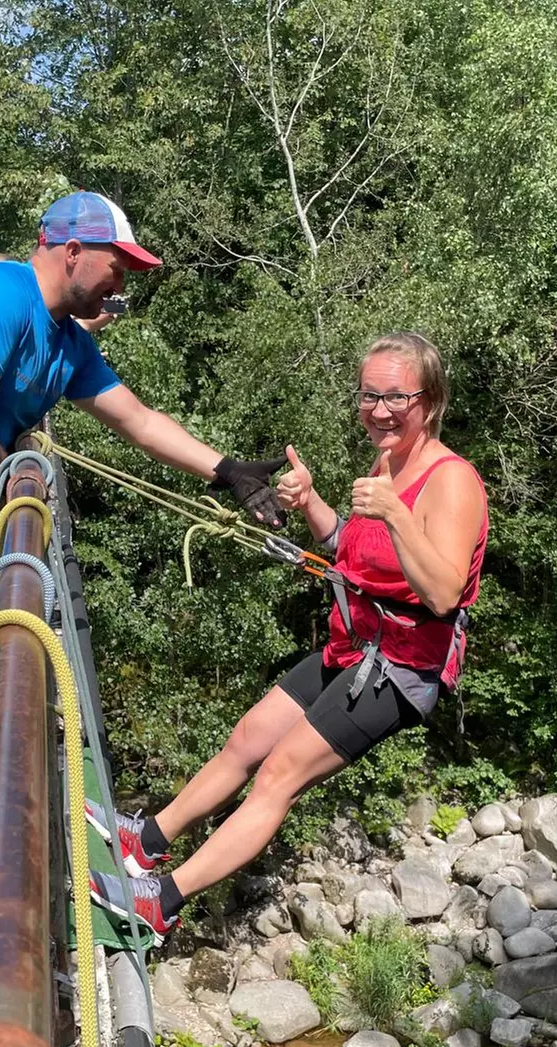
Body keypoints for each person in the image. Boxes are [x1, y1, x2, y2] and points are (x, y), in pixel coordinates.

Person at [0, 190, 288, 896]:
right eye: (119, 265)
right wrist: (11, 480)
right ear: (72, 250)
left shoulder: (67, 341)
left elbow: (138, 419)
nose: (124, 282)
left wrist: (224, 469)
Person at [90, 332, 489, 941]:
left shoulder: (451, 481)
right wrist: (312, 505)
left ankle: (161, 902)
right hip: (353, 646)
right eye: (368, 395)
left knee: (278, 774)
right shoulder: (388, 464)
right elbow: (354, 554)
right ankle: (146, 840)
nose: (379, 410)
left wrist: (396, 513)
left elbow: (441, 592)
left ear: (429, 402)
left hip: (398, 671)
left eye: (395, 397)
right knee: (248, 737)